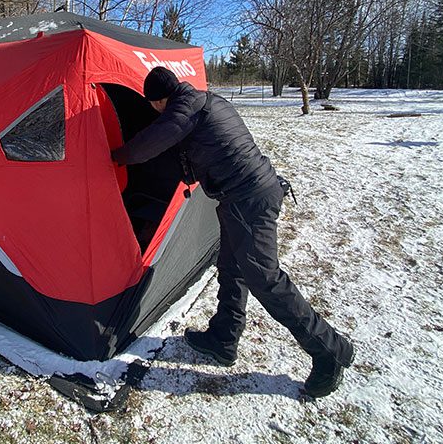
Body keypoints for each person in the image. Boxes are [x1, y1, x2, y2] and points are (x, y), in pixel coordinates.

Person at [110, 66, 354, 398]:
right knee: (231, 267)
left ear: (158, 101)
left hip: (248, 200)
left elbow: (147, 145)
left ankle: (330, 351)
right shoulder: (207, 100)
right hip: (243, 195)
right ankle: (223, 338)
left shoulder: (182, 110)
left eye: (152, 105)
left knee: (266, 279)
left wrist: (112, 156)